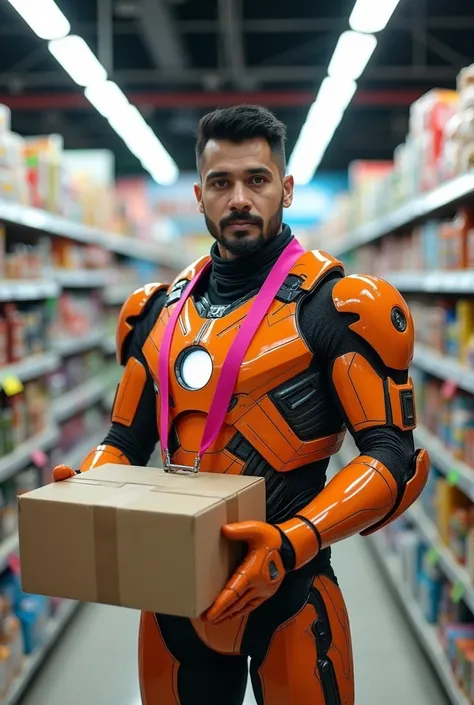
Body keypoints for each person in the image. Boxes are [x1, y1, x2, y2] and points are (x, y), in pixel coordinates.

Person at [53, 105, 429, 705]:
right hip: (173, 583)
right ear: (200, 196)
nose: (239, 199)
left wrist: (292, 541)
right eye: (222, 183)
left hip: (292, 587)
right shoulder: (156, 312)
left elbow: (391, 456)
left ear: (286, 188)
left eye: (256, 179)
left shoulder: (337, 306)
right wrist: (89, 489)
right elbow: (124, 440)